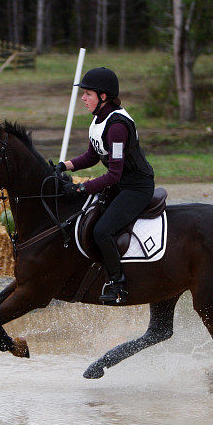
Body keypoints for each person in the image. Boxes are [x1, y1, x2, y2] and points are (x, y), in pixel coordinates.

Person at [57, 67, 155, 305]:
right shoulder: (99, 120)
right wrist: (63, 166)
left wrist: (82, 188)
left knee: (102, 230)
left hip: (136, 187)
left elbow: (113, 175)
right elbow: (92, 156)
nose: (83, 98)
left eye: (87, 93)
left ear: (103, 96)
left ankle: (119, 285)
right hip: (121, 184)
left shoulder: (117, 127)